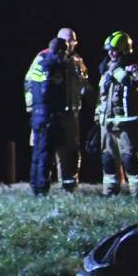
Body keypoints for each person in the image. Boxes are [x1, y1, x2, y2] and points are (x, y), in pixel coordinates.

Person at [24, 27, 89, 192]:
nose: (68, 44)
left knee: (71, 151)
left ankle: (68, 187)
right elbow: (29, 82)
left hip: (71, 114)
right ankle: (41, 185)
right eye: (64, 41)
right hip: (48, 113)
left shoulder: (76, 61)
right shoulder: (44, 57)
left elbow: (82, 84)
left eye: (70, 41)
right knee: (46, 150)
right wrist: (32, 107)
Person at [96, 31, 138, 197]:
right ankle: (110, 193)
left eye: (114, 50)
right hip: (107, 123)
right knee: (108, 159)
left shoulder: (135, 67)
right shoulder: (105, 69)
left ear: (124, 50)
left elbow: (130, 83)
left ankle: (137, 194)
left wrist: (115, 71)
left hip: (127, 123)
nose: (110, 53)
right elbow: (102, 96)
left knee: (130, 158)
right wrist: (98, 117)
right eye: (109, 50)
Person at [27, 38, 70, 196]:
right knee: (47, 153)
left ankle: (34, 186)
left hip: (37, 113)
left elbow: (31, 84)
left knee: (37, 152)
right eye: (64, 52)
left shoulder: (40, 62)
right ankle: (42, 189)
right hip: (49, 114)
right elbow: (48, 90)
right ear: (60, 51)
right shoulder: (54, 66)